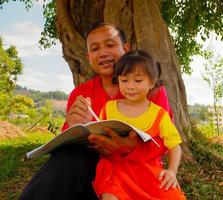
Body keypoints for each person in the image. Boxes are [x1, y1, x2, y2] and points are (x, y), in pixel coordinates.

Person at [19, 23, 173, 200]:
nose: (103, 53)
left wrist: (129, 148)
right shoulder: (81, 94)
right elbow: (64, 154)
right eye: (95, 48)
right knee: (70, 158)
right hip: (94, 175)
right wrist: (72, 125)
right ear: (88, 56)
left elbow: (164, 142)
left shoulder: (151, 89)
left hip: (137, 174)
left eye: (110, 45)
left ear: (126, 48)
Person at [93, 49, 186, 200]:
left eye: (138, 81)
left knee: (174, 196)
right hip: (116, 169)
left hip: (148, 170)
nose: (130, 86)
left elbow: (175, 147)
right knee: (111, 195)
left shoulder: (159, 115)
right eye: (124, 80)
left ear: (152, 82)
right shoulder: (109, 108)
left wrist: (172, 171)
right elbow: (100, 137)